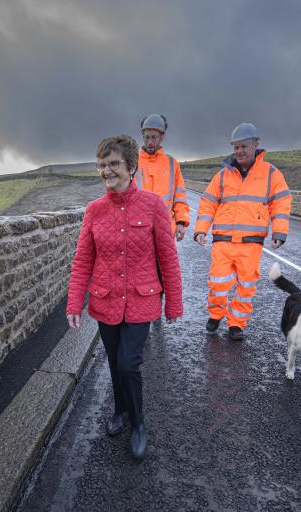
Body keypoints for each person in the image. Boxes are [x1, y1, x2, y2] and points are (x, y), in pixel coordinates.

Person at [66, 135, 183, 460]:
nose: (107, 170)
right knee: (115, 364)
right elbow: (82, 260)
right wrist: (75, 303)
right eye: (102, 165)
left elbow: (168, 258)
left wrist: (173, 303)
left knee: (129, 364)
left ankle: (138, 424)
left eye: (114, 163)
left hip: (141, 301)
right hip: (104, 302)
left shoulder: (153, 206)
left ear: (131, 166)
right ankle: (119, 411)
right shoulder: (94, 211)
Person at [193, 122, 291, 341]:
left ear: (255, 145)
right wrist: (201, 230)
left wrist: (279, 232)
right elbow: (208, 204)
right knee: (218, 282)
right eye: (236, 147)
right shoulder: (222, 175)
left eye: (243, 146)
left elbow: (281, 203)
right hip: (223, 241)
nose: (239, 151)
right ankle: (216, 314)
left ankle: (236, 323)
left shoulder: (271, 174)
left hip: (251, 242)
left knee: (246, 285)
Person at [137, 114, 191, 240]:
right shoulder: (133, 162)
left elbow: (180, 196)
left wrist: (181, 222)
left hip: (165, 231)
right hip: (138, 233)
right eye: (146, 137)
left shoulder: (172, 163)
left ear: (162, 137)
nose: (149, 142)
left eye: (154, 137)